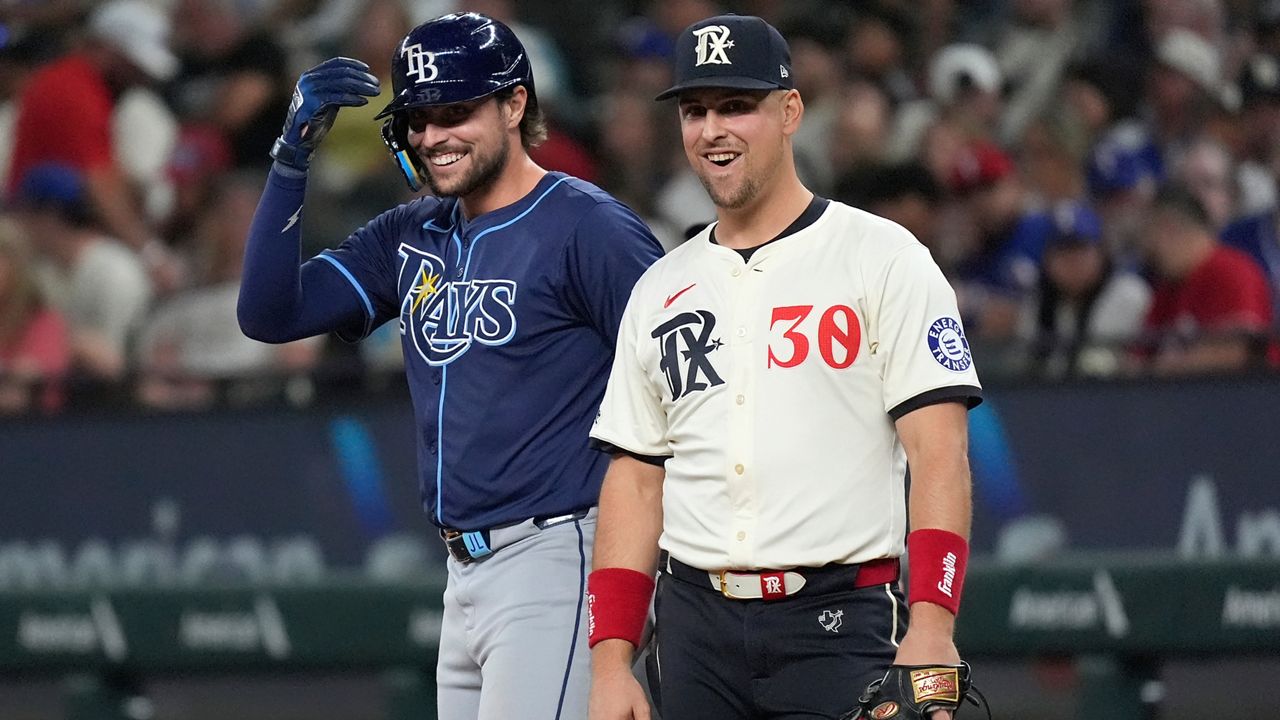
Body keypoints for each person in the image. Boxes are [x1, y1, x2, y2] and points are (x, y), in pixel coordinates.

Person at [235, 12, 663, 720]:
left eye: (457, 112)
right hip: (463, 575)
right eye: (420, 119)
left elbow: (679, 392)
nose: (434, 136)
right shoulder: (412, 232)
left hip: (563, 555)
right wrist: (290, 160)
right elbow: (269, 314)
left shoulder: (589, 226)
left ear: (515, 103)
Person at [585, 14, 982, 720]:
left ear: (791, 110)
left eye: (737, 105)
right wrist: (612, 660)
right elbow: (635, 481)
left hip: (840, 619)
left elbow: (940, 453)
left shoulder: (882, 257)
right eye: (695, 110)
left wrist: (933, 624)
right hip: (693, 629)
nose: (713, 129)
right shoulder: (660, 287)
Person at [1139, 184, 1274, 375]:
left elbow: (1236, 348)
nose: (1148, 249)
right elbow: (1136, 359)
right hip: (1184, 399)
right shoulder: (1168, 288)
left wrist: (1167, 368)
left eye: (1150, 235)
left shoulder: (1232, 270)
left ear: (1168, 228)